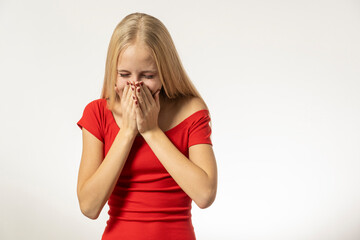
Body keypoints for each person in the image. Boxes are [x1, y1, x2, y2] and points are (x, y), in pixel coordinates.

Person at [76, 12, 218, 240]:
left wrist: (151, 131)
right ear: (113, 74)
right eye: (124, 74)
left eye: (148, 75)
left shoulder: (191, 110)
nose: (135, 86)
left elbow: (205, 195)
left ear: (165, 73)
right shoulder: (97, 114)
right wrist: (128, 132)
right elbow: (89, 207)